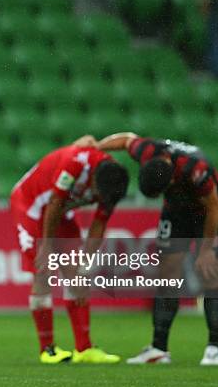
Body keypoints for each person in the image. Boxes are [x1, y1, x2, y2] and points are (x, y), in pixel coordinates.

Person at [97, 133, 218, 366]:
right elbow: (126, 139)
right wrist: (97, 146)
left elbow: (214, 206)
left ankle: (214, 348)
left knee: (210, 272)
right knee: (168, 273)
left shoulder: (195, 169)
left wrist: (207, 249)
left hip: (208, 209)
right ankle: (159, 349)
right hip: (176, 209)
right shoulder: (147, 152)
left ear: (170, 181)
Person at [9, 136, 129, 364]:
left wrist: (87, 262)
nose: (99, 200)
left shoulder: (112, 182)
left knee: (77, 275)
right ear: (92, 180)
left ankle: (84, 349)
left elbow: (99, 223)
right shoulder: (75, 163)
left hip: (60, 212)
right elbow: (54, 203)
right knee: (42, 272)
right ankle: (47, 350)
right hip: (32, 206)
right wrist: (45, 245)